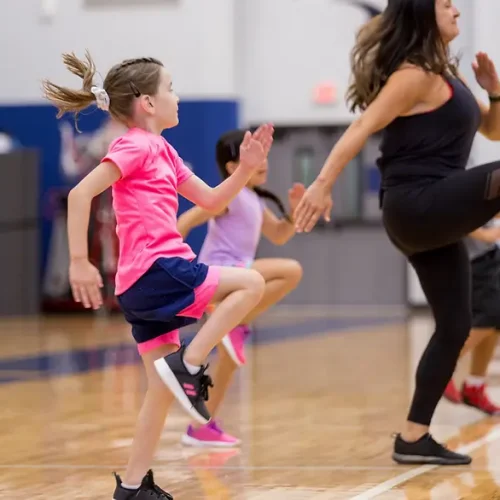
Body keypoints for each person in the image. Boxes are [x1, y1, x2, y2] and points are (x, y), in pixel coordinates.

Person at [42, 51, 273, 499]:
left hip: (139, 285)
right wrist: (77, 260)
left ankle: (132, 487)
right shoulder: (135, 144)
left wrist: (245, 169)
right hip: (159, 268)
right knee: (252, 283)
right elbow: (80, 194)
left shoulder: (163, 150)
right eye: (171, 88)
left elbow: (209, 200)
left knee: (159, 391)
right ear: (147, 102)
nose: (177, 96)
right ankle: (190, 362)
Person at [293, 0, 500, 465]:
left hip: (427, 212)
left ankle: (413, 436)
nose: (456, 9)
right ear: (424, 13)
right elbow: (363, 125)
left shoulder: (449, 75)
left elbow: (494, 130)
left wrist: (496, 91)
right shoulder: (413, 75)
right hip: (418, 202)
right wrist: (323, 184)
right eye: (446, 3)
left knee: (455, 324)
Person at [177, 129, 304, 446]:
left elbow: (280, 235)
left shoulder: (255, 200)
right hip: (221, 275)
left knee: (229, 362)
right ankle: (237, 322)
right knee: (290, 271)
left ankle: (201, 427)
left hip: (238, 277)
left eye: (265, 156)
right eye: (256, 156)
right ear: (234, 166)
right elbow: (187, 220)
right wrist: (168, 260)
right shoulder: (228, 195)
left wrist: (293, 211)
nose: (264, 163)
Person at [443, 220, 500, 415]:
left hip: (488, 254)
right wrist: (484, 234)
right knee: (489, 314)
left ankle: (475, 386)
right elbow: (452, 211)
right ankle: (440, 368)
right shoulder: (453, 189)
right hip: (471, 259)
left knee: (496, 321)